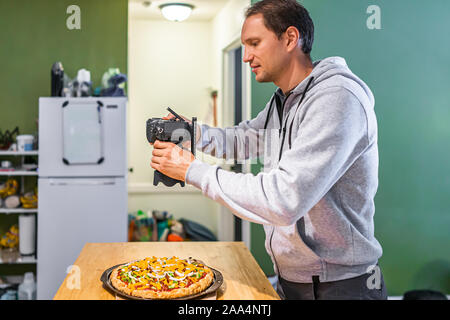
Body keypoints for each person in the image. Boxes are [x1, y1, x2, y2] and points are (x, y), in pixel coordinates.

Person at [150, 0, 387, 300]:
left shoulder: (337, 98)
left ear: (289, 38)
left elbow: (283, 200)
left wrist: (191, 170)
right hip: (292, 282)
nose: (246, 56)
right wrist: (193, 133)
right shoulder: (284, 102)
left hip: (340, 288)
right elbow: (244, 139)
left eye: (254, 43)